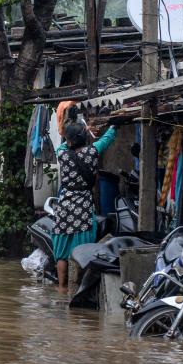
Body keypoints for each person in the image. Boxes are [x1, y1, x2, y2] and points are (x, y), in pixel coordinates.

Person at [52, 122, 116, 294]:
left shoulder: (63, 154)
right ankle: (80, 288)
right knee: (84, 249)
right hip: (83, 206)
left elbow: (63, 145)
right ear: (84, 139)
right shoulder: (92, 152)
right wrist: (111, 127)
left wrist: (76, 135)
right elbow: (107, 139)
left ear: (70, 140)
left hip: (65, 206)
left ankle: (62, 288)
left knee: (61, 253)